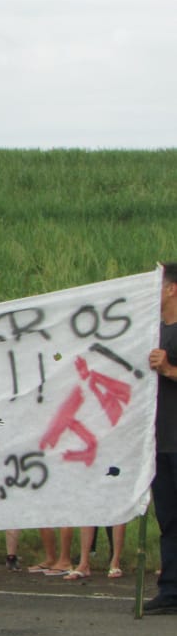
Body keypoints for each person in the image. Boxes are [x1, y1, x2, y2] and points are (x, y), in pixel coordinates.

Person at [145, 262, 177, 614]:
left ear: (172, 289)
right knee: (169, 521)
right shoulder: (153, 332)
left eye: (159, 284)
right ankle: (170, 590)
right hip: (161, 441)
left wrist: (169, 370)